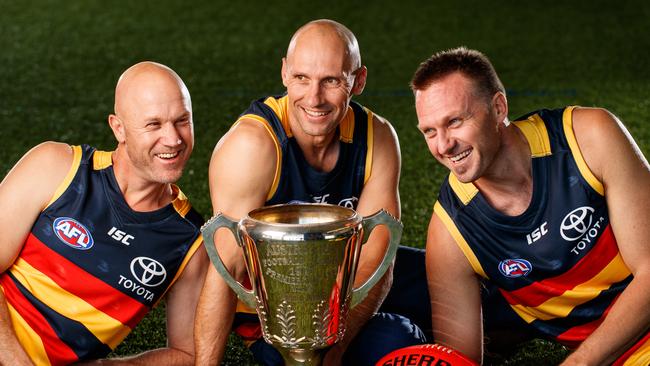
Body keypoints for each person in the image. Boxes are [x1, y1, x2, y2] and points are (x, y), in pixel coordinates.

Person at [195, 19, 428, 366]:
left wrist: (332, 352)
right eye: (302, 78)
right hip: (278, 307)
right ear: (285, 73)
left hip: (344, 275)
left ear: (358, 81)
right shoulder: (253, 145)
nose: (314, 98)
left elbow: (376, 257)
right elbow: (225, 266)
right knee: (398, 340)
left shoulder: (376, 137)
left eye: (331, 81)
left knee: (450, 282)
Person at [411, 47, 650, 365]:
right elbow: (458, 359)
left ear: (498, 108)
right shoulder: (451, 233)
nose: (443, 145)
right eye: (429, 131)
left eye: (455, 122)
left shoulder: (588, 138)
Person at [0, 62, 208, 365]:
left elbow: (186, 354)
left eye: (182, 121)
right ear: (118, 128)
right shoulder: (56, 168)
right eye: (153, 124)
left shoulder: (188, 241)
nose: (173, 139)